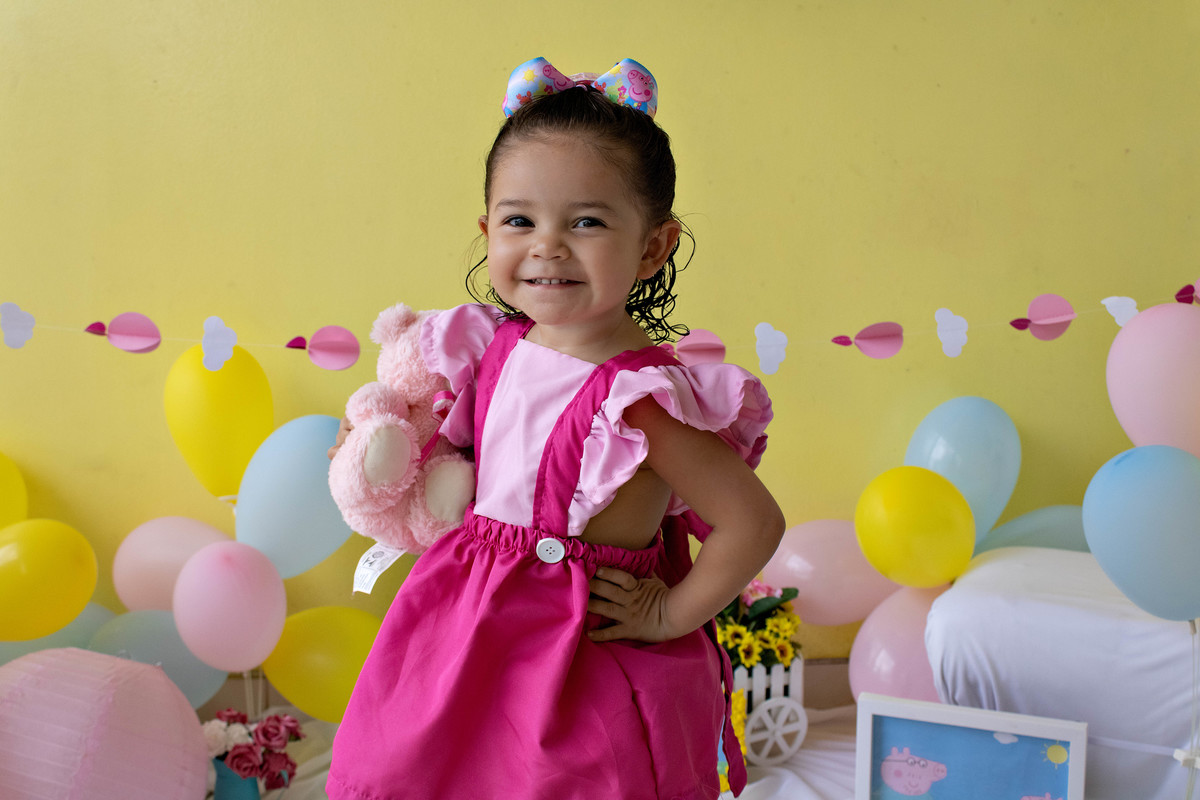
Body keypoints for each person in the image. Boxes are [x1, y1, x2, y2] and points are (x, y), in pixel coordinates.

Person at [325, 57, 785, 800]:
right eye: (520, 220)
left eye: (586, 222)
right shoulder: (496, 347)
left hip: (575, 654)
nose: (548, 244)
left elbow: (751, 521)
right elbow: (472, 463)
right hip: (466, 626)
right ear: (487, 231)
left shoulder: (640, 399)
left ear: (652, 247)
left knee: (562, 781)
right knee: (419, 765)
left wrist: (670, 614)